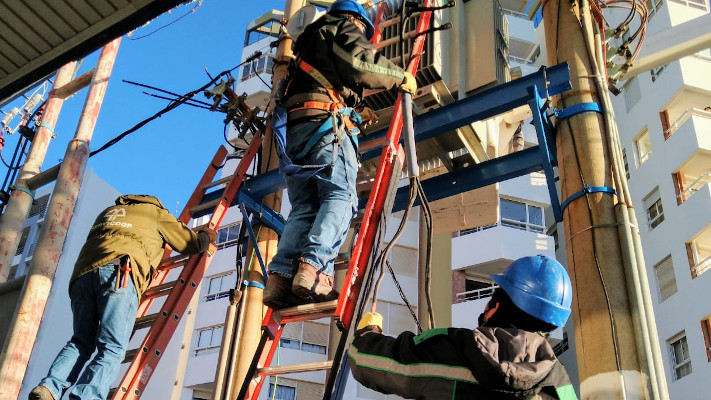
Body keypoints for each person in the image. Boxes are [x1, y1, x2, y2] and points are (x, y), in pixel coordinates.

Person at [264, 0, 417, 308]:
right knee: (341, 197)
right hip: (325, 125)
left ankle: (279, 278)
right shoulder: (341, 27)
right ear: (357, 20)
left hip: (294, 133)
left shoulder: (304, 50)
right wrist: (399, 77)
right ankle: (314, 268)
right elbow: (360, 63)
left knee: (305, 206)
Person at [29, 194, 217, 400]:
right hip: (119, 273)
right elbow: (190, 244)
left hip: (82, 277)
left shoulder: (109, 212)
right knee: (112, 346)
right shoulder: (156, 213)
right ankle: (86, 396)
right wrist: (206, 237)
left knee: (81, 341)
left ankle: (48, 388)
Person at [349, 255, 579, 400]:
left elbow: (371, 363)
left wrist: (367, 334)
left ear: (496, 307)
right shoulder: (561, 385)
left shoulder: (457, 348)